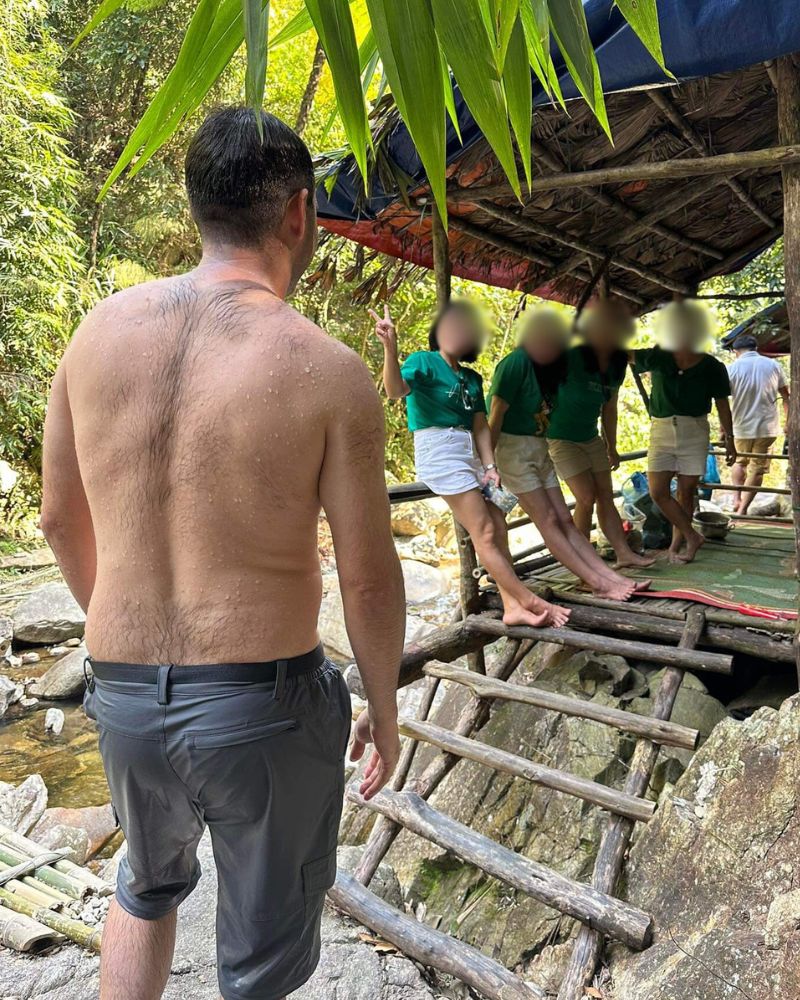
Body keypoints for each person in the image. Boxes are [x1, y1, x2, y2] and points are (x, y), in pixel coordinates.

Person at [41, 107, 405, 1000]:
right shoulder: (324, 368)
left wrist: (117, 636)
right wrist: (385, 707)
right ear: (298, 215)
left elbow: (57, 516)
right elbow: (365, 571)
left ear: (198, 206)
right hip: (262, 706)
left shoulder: (95, 335)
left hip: (123, 693)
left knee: (143, 887)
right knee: (262, 962)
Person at [372, 301, 569, 629]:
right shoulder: (423, 361)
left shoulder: (472, 379)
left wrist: (490, 467)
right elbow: (395, 390)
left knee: (498, 526)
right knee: (486, 530)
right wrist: (390, 348)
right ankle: (529, 600)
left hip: (470, 455)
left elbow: (480, 426)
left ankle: (511, 607)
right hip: (440, 451)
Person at [488, 308, 647, 601]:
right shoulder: (517, 362)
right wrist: (486, 463)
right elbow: (494, 416)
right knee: (548, 519)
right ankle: (598, 583)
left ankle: (609, 576)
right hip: (511, 448)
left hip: (538, 444)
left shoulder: (551, 370)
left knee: (563, 516)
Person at [546, 300, 654, 570]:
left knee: (606, 495)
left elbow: (609, 408)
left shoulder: (616, 365)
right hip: (560, 437)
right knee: (585, 497)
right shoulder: (570, 355)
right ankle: (584, 561)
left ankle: (623, 553)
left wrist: (612, 445)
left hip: (590, 437)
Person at [633, 300, 736, 563]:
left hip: (695, 430)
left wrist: (730, 441)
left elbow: (722, 404)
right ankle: (692, 535)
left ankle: (678, 546)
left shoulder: (713, 366)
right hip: (662, 430)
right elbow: (623, 353)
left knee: (686, 492)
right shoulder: (658, 356)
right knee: (658, 492)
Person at [727, 332, 789, 514]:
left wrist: (725, 429)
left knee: (739, 462)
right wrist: (788, 422)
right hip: (767, 428)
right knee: (757, 469)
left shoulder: (732, 368)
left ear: (736, 351)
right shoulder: (773, 365)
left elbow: (722, 400)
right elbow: (786, 396)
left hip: (740, 427)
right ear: (756, 349)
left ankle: (736, 499)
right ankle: (743, 510)